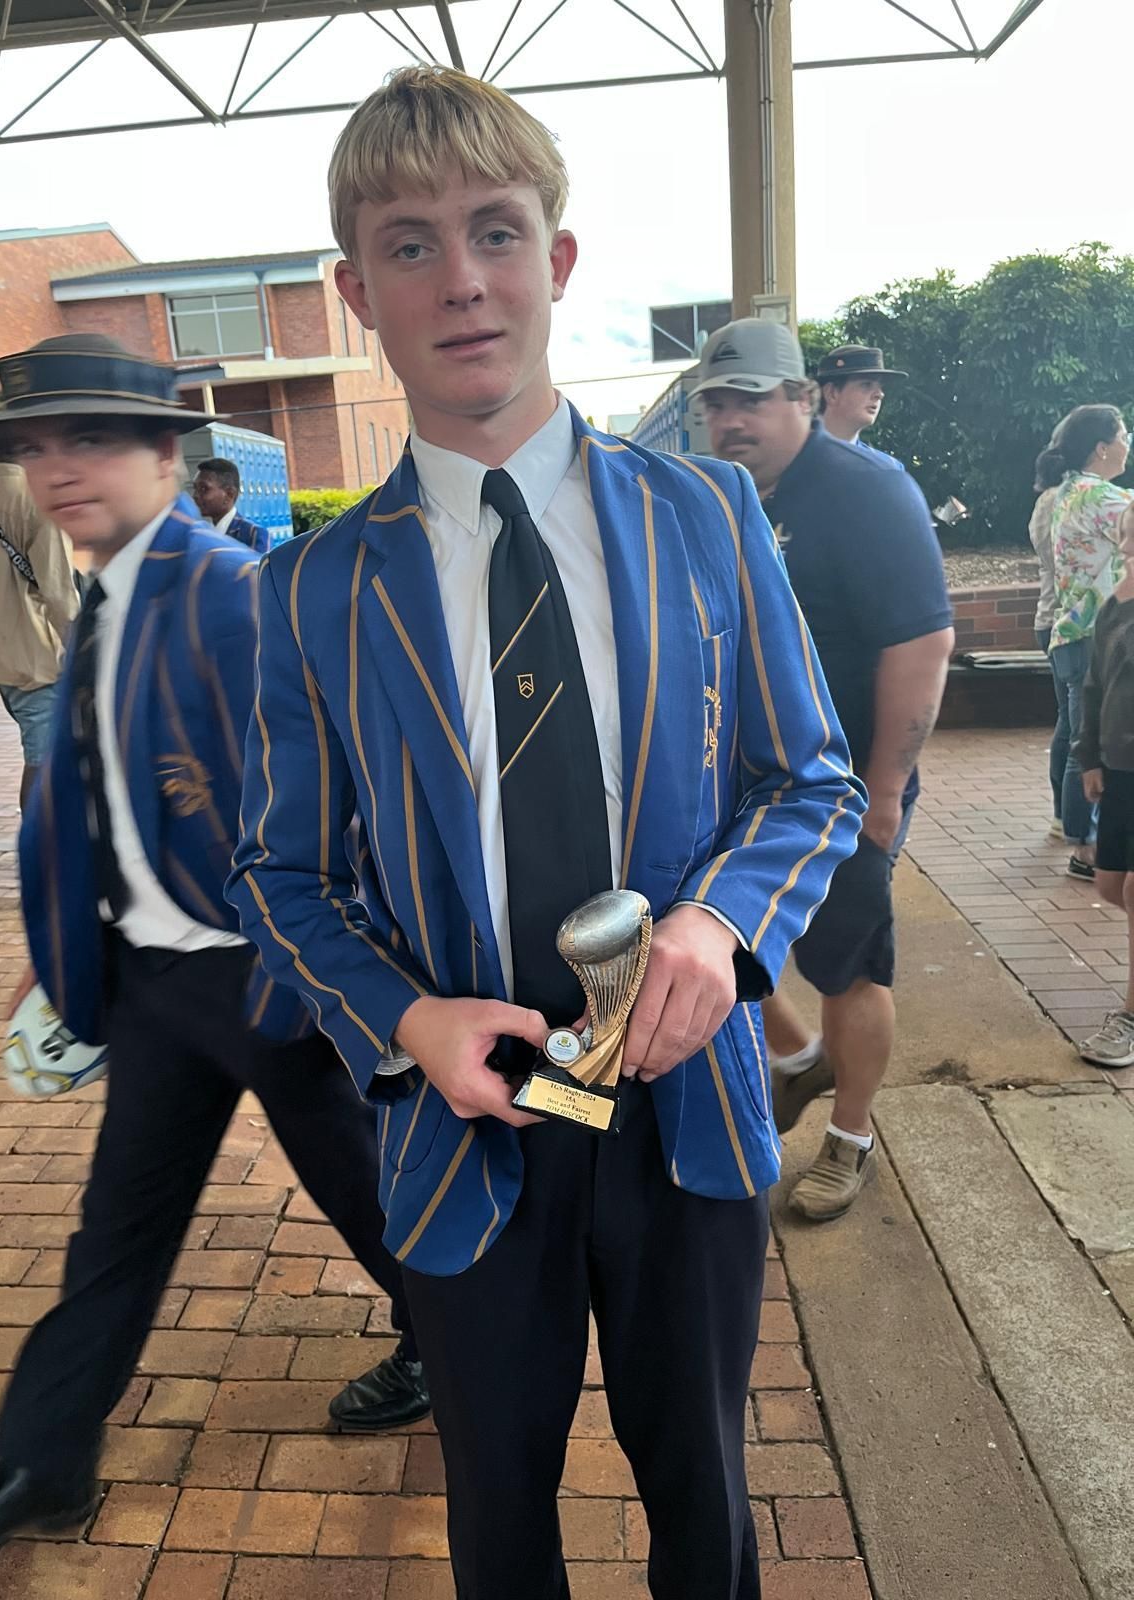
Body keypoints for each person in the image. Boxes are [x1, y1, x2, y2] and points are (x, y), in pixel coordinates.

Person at [227, 66, 864, 1600]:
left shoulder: (706, 518)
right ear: (356, 291)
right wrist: (407, 1020)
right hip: (470, 1121)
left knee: (706, 1502)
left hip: (686, 1112)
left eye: (496, 231)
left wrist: (718, 923)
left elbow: (812, 780)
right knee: (498, 1519)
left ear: (558, 259)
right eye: (409, 244)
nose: (462, 279)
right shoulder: (312, 593)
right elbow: (283, 876)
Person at [0, 333, 428, 1565]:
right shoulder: (106, 594)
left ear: (167, 453)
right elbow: (96, 795)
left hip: (261, 976)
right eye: (31, 447)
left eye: (90, 438)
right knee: (118, 1225)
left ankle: (456, 1342)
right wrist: (72, 934)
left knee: (368, 1191)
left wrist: (312, 970)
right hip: (155, 984)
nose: (56, 467)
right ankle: (46, 1460)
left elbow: (338, 798)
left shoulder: (225, 592)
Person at [696, 318, 954, 1222]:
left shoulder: (864, 491)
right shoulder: (719, 495)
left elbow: (922, 644)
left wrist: (883, 790)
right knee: (723, 938)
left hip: (844, 788)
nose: (732, 419)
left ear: (802, 398)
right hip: (748, 784)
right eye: (716, 403)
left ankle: (851, 1137)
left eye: (752, 399)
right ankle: (801, 1060)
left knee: (847, 966)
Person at [0, 403, 80, 808]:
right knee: (43, 761)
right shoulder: (39, 501)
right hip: (40, 658)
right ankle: (38, 840)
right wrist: (85, 652)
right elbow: (60, 594)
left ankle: (49, 836)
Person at [1040, 404, 1132, 880]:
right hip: (1096, 633)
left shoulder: (1069, 491)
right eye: (1123, 435)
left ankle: (1067, 823)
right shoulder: (1100, 496)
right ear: (1102, 447)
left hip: (1070, 630)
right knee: (1089, 740)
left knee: (1071, 730)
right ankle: (1087, 848)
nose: (1128, 443)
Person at [1076, 502, 1134, 1067]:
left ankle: (1130, 1019)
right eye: (1128, 532)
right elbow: (1094, 686)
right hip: (1120, 767)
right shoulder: (1114, 604)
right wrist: (1089, 757)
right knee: (1110, 886)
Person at [1029, 449, 1070, 838]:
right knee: (1074, 720)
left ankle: (1064, 813)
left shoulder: (1044, 501)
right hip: (1065, 620)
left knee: (1068, 717)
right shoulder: (1065, 501)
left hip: (1049, 618)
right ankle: (1068, 815)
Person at [815, 344, 906, 470]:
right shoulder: (790, 456)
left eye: (881, 387)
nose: (880, 394)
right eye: (866, 384)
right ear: (832, 393)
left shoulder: (888, 469)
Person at [191, 457, 270, 553]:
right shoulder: (200, 534)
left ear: (229, 494)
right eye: (195, 488)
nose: (195, 495)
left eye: (203, 489)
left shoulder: (253, 534)